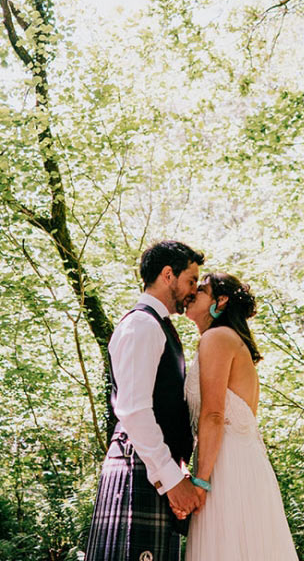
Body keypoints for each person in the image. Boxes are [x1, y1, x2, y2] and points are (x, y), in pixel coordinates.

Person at [85, 240, 207, 561]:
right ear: (168, 275)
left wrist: (174, 474)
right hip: (137, 464)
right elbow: (134, 411)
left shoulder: (158, 326)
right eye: (190, 280)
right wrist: (170, 479)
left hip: (148, 468)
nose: (193, 290)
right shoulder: (141, 325)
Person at [182, 272, 299, 560]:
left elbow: (213, 414)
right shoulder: (226, 339)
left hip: (226, 466)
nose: (191, 293)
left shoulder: (218, 337)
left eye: (200, 290)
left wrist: (201, 482)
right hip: (236, 459)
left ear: (220, 301)